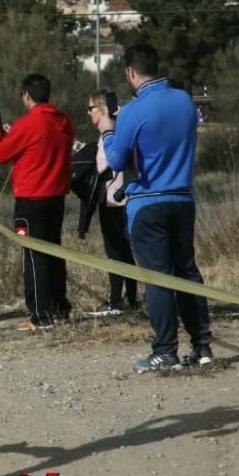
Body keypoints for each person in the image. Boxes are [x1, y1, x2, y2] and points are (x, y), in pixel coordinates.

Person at [97, 43, 213, 371]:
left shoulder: (133, 111)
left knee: (158, 278)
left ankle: (165, 350)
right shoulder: (185, 102)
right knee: (187, 272)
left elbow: (117, 161)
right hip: (182, 198)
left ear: (130, 72)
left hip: (148, 203)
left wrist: (108, 132)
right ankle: (202, 346)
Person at [0, 73, 75, 331]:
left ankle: (40, 313)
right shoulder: (64, 122)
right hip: (56, 198)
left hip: (30, 200)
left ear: (26, 95)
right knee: (54, 252)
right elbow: (41, 144)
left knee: (33, 255)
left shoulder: (28, 124)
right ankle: (60, 307)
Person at [86, 91, 138, 316]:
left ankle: (116, 299)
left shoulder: (110, 132)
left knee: (115, 251)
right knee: (125, 251)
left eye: (92, 108)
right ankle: (131, 297)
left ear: (102, 109)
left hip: (114, 200)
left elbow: (107, 165)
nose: (88, 113)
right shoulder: (120, 128)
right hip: (119, 199)